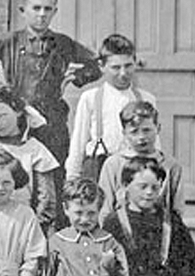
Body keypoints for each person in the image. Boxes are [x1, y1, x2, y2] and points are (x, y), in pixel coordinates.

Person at [0, 0, 101, 186]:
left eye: (47, 9)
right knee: (15, 172)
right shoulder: (9, 41)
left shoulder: (63, 43)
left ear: (54, 11)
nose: (42, 14)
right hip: (17, 120)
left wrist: (73, 79)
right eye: (36, 8)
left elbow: (97, 64)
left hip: (52, 121)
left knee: (54, 173)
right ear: (24, 10)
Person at [0, 84, 59, 233]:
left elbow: (46, 200)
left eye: (1, 116)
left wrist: (33, 231)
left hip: (19, 227)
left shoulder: (34, 150)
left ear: (18, 111)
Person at [66, 34, 157, 182]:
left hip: (136, 170)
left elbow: (155, 143)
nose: (123, 73)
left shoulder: (147, 99)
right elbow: (78, 144)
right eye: (116, 67)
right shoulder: (90, 98)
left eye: (128, 66)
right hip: (99, 169)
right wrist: (72, 177)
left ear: (135, 62)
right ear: (102, 67)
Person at [97, 101, 183, 220]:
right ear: (124, 133)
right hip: (122, 231)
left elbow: (177, 209)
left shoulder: (170, 165)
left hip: (159, 230)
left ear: (158, 128)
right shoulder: (113, 164)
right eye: (134, 131)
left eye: (146, 130)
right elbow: (104, 208)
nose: (141, 137)